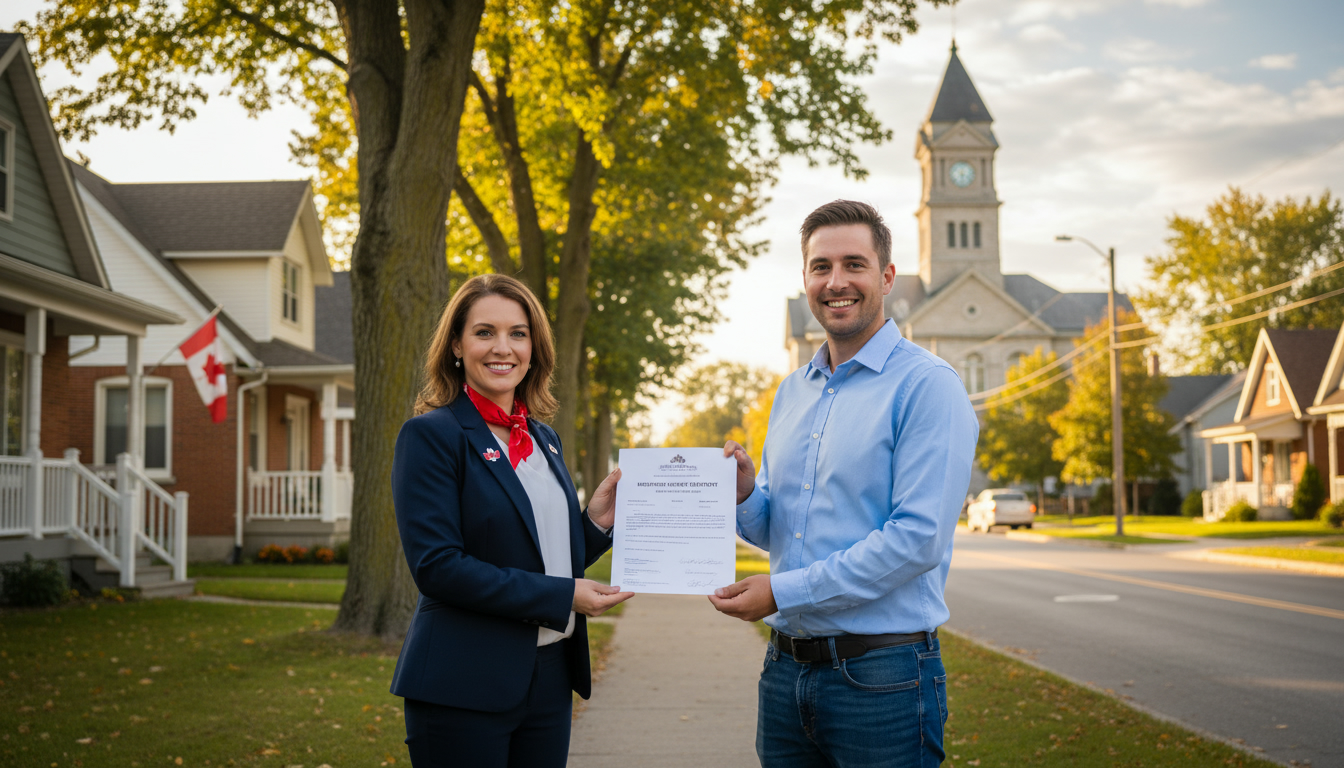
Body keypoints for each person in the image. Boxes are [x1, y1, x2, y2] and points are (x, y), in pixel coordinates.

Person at [709, 200, 978, 767]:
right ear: (805, 278)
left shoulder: (927, 387)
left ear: (886, 277)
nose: (836, 282)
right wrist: (742, 494)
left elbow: (917, 540)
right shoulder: (792, 392)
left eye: (854, 264)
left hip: (883, 679)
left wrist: (781, 592)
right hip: (784, 675)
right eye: (820, 267)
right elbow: (785, 530)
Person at [389, 273, 632, 768]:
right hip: (463, 682)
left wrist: (596, 523)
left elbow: (537, 551)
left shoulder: (544, 438)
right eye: (484, 332)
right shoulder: (430, 436)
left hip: (549, 679)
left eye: (518, 333)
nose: (503, 348)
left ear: (534, 346)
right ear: (456, 345)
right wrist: (564, 596)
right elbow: (438, 567)